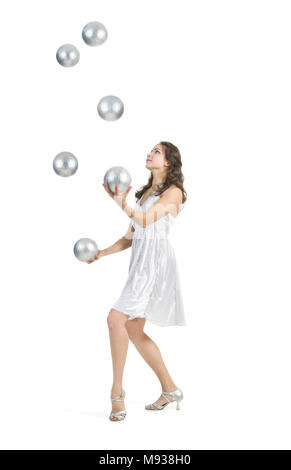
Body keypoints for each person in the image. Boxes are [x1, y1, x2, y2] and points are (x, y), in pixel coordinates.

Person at [88, 141, 187, 421]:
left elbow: (145, 222)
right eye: (151, 150)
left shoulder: (173, 193)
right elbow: (131, 235)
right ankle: (170, 389)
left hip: (155, 266)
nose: (150, 154)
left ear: (168, 162)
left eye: (157, 152)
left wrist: (120, 202)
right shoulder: (145, 194)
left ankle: (116, 392)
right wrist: (103, 253)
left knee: (114, 319)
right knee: (132, 328)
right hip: (141, 263)